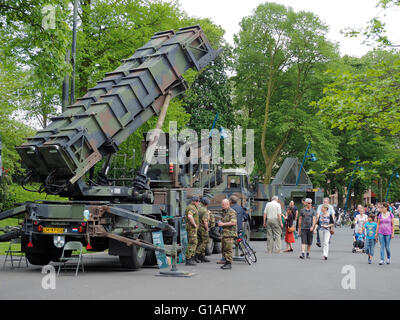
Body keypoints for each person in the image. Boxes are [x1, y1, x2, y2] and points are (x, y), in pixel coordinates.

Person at [217, 199, 237, 270]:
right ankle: (226, 262)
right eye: (221, 204)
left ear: (227, 204)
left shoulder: (232, 212)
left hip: (229, 233)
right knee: (224, 248)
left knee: (228, 249)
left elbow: (233, 222)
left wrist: (223, 224)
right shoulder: (224, 212)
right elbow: (222, 219)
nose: (222, 206)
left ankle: (229, 263)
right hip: (224, 233)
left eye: (223, 204)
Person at [185, 196, 200, 266]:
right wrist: (194, 224)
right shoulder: (192, 207)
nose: (198, 203)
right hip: (192, 228)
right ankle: (189, 259)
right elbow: (190, 216)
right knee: (192, 242)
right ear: (194, 201)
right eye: (197, 201)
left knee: (193, 242)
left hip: (191, 228)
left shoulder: (192, 207)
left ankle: (191, 258)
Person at [195, 197, 211, 263]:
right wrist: (207, 229)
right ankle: (196, 255)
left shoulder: (198, 208)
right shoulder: (205, 211)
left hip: (197, 227)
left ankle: (202, 256)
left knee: (199, 242)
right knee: (205, 241)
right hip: (203, 228)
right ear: (207, 204)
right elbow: (205, 221)